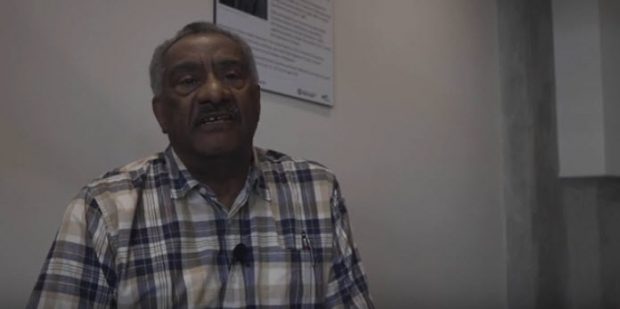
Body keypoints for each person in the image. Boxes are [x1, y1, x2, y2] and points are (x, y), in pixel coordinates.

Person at [28, 21, 373, 308]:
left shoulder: (315, 190)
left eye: (232, 75)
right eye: (188, 81)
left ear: (256, 98)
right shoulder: (103, 209)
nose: (214, 93)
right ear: (161, 112)